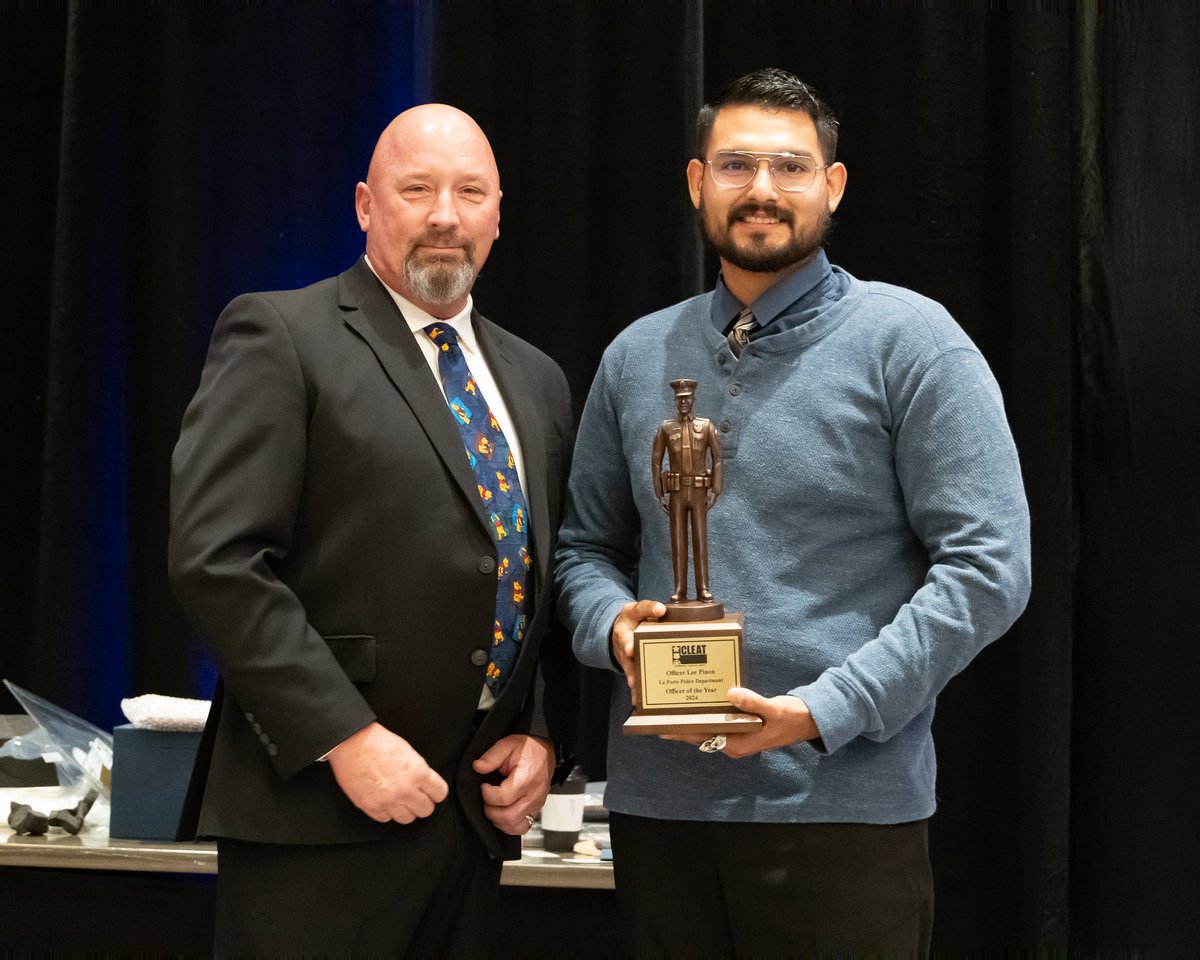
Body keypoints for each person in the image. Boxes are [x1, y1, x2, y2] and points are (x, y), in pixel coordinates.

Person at [556, 68, 1031, 955]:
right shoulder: (635, 356)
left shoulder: (913, 342)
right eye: (736, 165)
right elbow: (583, 548)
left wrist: (825, 710)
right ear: (698, 182)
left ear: (832, 186)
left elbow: (989, 568)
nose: (762, 190)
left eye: (791, 167)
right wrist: (612, 625)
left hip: (841, 812)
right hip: (660, 814)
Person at [169, 104, 574, 956]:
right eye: (416, 189)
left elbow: (528, 579)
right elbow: (218, 560)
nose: (444, 215)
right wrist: (344, 738)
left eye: (470, 193)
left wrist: (539, 733)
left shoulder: (537, 379)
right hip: (317, 818)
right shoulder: (281, 334)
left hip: (469, 824)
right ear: (364, 204)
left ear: (498, 215)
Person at [651, 378, 723, 604]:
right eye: (679, 399)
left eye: (687, 398)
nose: (683, 402)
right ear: (675, 400)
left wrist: (716, 490)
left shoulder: (706, 426)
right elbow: (656, 460)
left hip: (699, 491)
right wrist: (659, 493)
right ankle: (680, 589)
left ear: (693, 399)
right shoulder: (666, 428)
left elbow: (718, 458)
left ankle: (703, 588)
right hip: (677, 492)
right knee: (678, 541)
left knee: (700, 540)